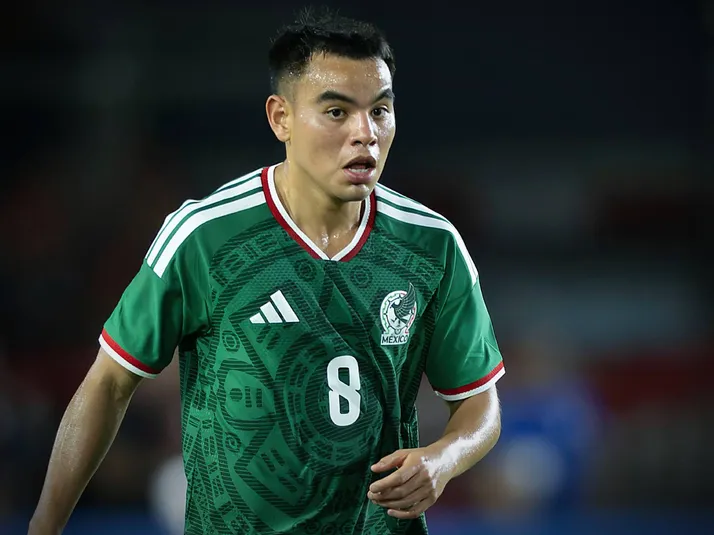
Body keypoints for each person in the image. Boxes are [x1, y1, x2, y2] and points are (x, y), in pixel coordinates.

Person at [29, 7, 505, 535]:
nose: (365, 133)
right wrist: (44, 526)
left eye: (380, 110)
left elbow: (480, 403)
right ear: (281, 118)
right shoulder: (204, 236)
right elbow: (109, 384)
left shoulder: (432, 244)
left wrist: (443, 459)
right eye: (337, 111)